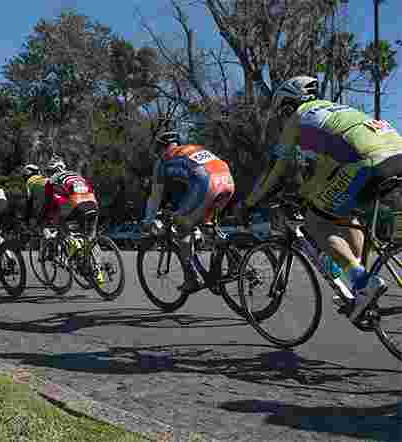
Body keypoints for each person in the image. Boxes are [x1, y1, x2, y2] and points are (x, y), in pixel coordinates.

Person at [242, 75, 402, 322]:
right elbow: (327, 171)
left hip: (368, 160)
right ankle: (359, 283)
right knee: (342, 213)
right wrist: (307, 194)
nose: (282, 118)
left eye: (281, 111)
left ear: (287, 105)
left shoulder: (298, 118)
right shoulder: (336, 112)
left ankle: (363, 282)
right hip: (395, 153)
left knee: (316, 222)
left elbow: (276, 169)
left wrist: (251, 202)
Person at [141, 131, 235, 293]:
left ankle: (191, 279)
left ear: (161, 148)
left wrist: (148, 221)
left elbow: (155, 196)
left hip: (206, 183)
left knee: (180, 227)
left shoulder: (163, 160)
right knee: (207, 224)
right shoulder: (193, 149)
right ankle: (232, 257)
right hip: (226, 179)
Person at [22, 164, 50, 237]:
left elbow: (29, 200)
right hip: (57, 197)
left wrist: (27, 217)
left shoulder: (30, 181)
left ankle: (49, 239)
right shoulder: (44, 178)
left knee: (41, 223)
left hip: (45, 203)